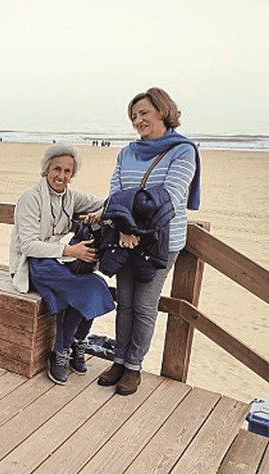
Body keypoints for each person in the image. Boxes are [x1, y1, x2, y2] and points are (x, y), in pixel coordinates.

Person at [97, 87, 200, 395]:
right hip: (125, 238)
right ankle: (118, 360)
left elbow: (170, 196)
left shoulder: (183, 151)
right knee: (125, 304)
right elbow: (115, 193)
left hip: (161, 242)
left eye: (143, 113)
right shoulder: (126, 152)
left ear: (163, 111)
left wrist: (130, 220)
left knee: (144, 306)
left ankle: (134, 367)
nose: (138, 120)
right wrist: (124, 228)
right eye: (133, 116)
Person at [9, 144, 114, 385]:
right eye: (57, 169)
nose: (62, 176)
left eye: (67, 171)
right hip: (31, 264)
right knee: (82, 288)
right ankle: (61, 350)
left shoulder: (71, 197)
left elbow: (105, 203)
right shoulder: (31, 198)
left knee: (95, 282)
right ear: (46, 169)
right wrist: (70, 250)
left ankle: (77, 342)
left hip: (56, 260)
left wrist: (99, 214)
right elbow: (29, 246)